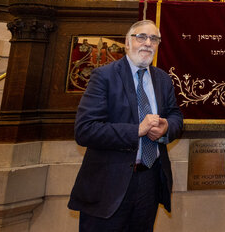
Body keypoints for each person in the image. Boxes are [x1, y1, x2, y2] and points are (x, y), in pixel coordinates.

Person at [68, 19, 183, 231]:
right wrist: (137, 130)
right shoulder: (104, 76)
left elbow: (176, 116)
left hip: (149, 181)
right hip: (108, 185)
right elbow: (85, 130)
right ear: (127, 43)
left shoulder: (163, 79)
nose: (148, 43)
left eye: (154, 39)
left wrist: (166, 127)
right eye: (141, 37)